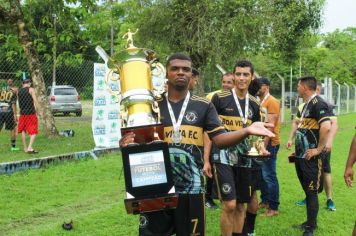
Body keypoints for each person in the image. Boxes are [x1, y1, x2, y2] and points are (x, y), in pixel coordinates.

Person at [119, 53, 275, 236]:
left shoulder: (203, 106)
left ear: (191, 74)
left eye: (186, 69)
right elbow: (137, 140)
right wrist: (125, 143)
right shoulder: (150, 105)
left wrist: (246, 131)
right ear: (166, 73)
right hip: (157, 186)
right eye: (175, 69)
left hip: (191, 187)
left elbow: (220, 139)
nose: (181, 72)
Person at [204, 60, 265, 236]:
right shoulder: (219, 99)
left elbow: (257, 135)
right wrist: (206, 159)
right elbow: (209, 132)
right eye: (238, 74)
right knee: (229, 204)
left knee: (240, 205)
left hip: (246, 160)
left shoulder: (255, 104)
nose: (241, 78)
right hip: (222, 157)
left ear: (252, 77)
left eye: (245, 74)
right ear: (233, 75)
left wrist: (260, 148)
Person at [287, 76, 331, 236]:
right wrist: (295, 145)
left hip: (312, 158)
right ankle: (309, 222)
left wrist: (319, 149)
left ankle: (311, 227)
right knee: (307, 190)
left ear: (305, 87)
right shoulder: (305, 105)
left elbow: (326, 126)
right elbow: (301, 127)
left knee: (311, 191)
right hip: (301, 156)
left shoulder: (319, 103)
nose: (297, 88)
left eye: (298, 85)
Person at [288, 82, 338, 211]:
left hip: (322, 145)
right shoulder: (303, 106)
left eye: (319, 90)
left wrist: (329, 142)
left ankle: (329, 199)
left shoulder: (323, 104)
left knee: (325, 170)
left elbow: (333, 124)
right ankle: (310, 196)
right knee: (308, 175)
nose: (317, 92)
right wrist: (292, 139)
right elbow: (296, 123)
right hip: (306, 149)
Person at [204, 72, 235, 210]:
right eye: (224, 82)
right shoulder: (214, 97)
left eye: (229, 82)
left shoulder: (238, 100)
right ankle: (208, 198)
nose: (226, 85)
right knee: (210, 168)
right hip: (213, 140)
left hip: (231, 144)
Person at [256, 77, 281, 217]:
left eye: (259, 86)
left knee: (269, 175)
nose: (256, 89)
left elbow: (270, 128)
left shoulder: (272, 101)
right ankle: (265, 200)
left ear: (266, 87)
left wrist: (263, 146)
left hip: (269, 143)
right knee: (261, 175)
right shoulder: (261, 101)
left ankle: (273, 207)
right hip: (261, 142)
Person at [18, 78, 39, 153]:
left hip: (22, 113)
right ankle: (30, 147)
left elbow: (19, 102)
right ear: (29, 83)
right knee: (34, 130)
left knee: (23, 130)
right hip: (30, 113)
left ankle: (25, 148)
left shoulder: (19, 91)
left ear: (23, 84)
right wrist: (37, 110)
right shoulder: (31, 89)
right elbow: (35, 100)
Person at [0, 79, 20, 151]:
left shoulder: (2, 90)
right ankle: (13, 147)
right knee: (12, 129)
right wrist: (15, 115)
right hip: (9, 112)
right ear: (13, 84)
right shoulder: (13, 92)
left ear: (7, 83)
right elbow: (13, 104)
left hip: (1, 111)